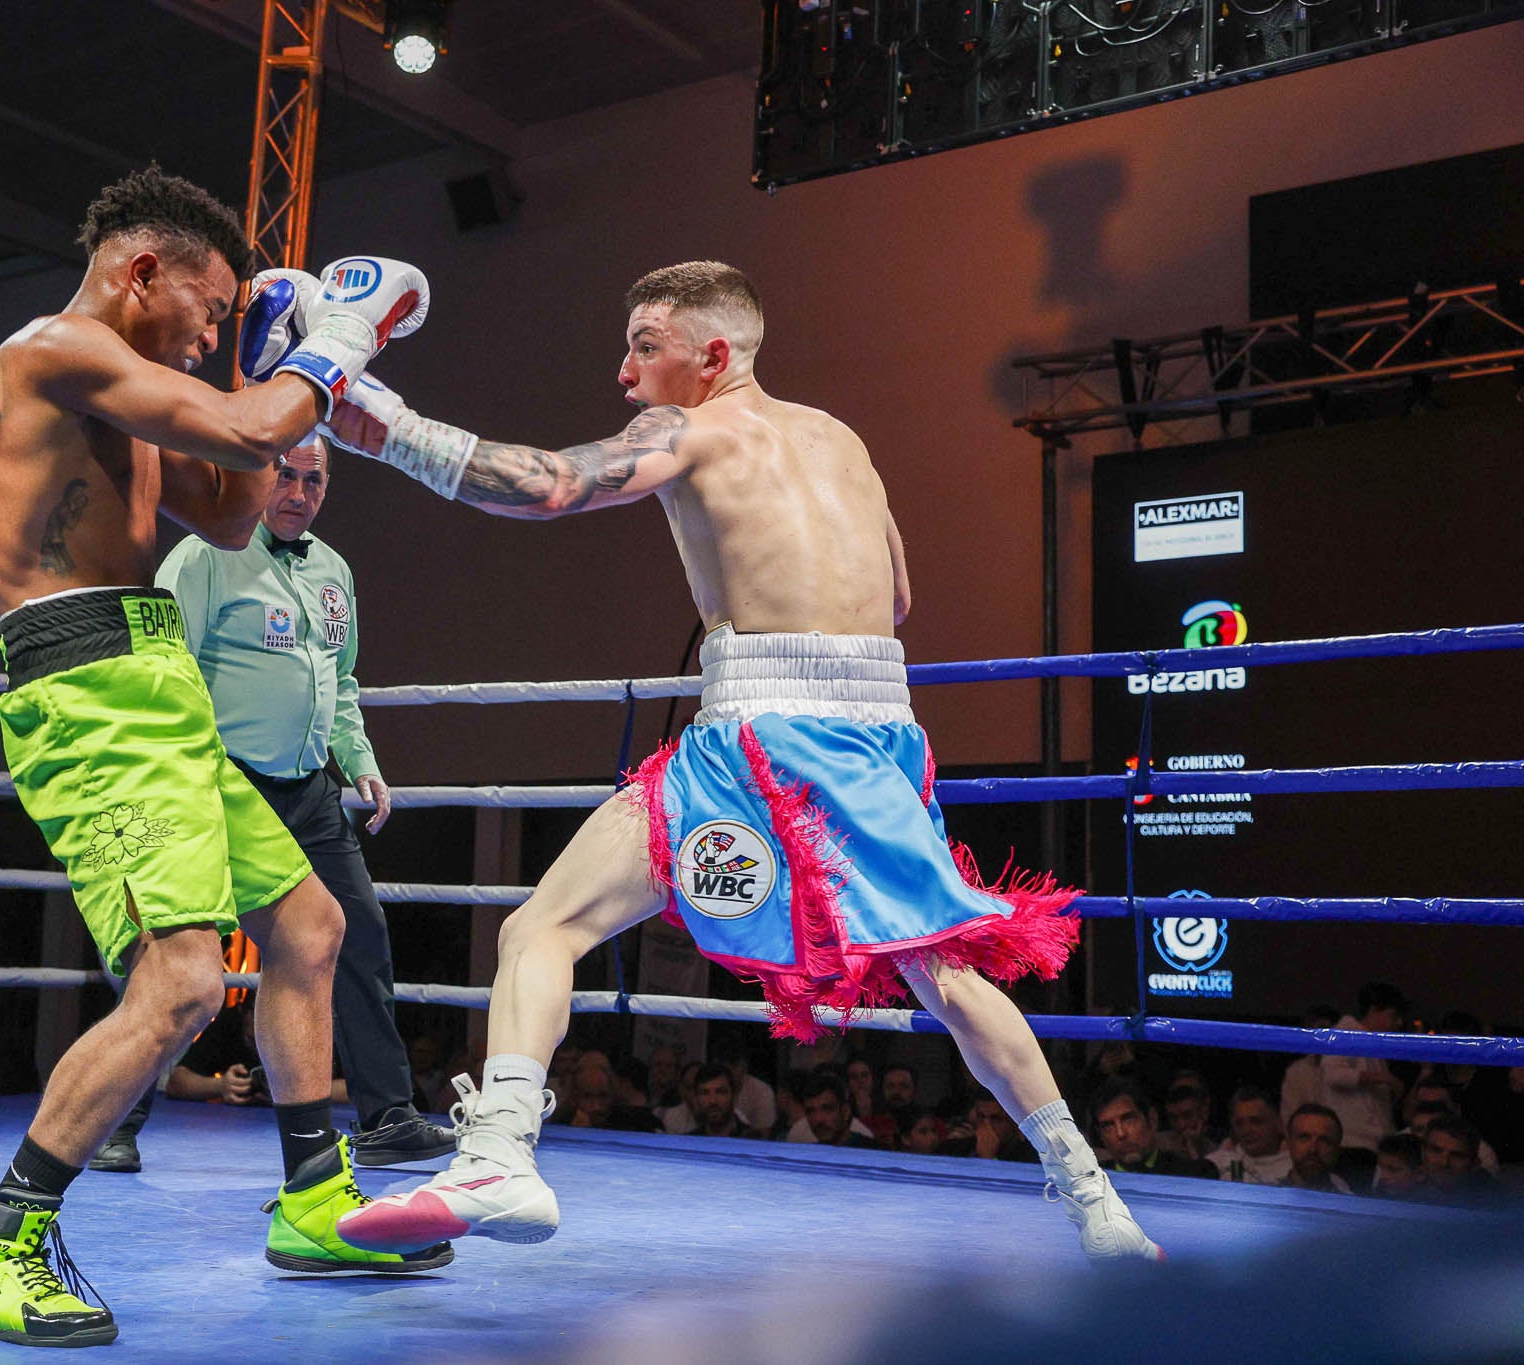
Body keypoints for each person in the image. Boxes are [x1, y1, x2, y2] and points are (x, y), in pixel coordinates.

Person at [328, 261, 1160, 1262]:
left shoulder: (689, 430)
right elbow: (895, 596)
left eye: (644, 344)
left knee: (542, 925)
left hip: (759, 729)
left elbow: (548, 485)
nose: (625, 372)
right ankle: (1094, 1204)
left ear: (710, 355)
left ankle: (501, 1156)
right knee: (939, 970)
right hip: (879, 731)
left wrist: (382, 422)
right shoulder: (841, 439)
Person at [0, 163, 442, 1348]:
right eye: (206, 309)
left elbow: (223, 507)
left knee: (308, 927)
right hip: (88, 685)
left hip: (157, 672)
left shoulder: (137, 384)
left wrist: (271, 360)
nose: (211, 330)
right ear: (140, 271)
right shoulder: (54, 350)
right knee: (186, 983)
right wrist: (334, 338)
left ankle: (314, 1203)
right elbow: (259, 429)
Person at [129, 437, 451, 1168]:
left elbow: (341, 681)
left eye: (313, 479)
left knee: (360, 931)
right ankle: (117, 1121)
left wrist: (360, 763)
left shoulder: (333, 571)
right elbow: (163, 669)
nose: (297, 491)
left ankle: (387, 1116)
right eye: (283, 474)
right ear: (254, 476)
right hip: (224, 783)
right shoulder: (205, 555)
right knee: (180, 953)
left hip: (310, 790)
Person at [1322, 982, 1409, 1151]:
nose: (1398, 1023)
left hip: (1372, 1142)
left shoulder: (1372, 1044)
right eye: (1393, 1015)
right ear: (1374, 1011)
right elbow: (1333, 1074)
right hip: (1352, 1142)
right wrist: (1384, 1078)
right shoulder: (1346, 1032)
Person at [1090, 1082, 1217, 1180]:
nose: (1120, 1134)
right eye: (1108, 1126)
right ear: (1100, 1135)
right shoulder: (1089, 1181)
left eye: (1129, 1120)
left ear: (1152, 1120)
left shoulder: (1192, 1173)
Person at [1205, 1087, 1291, 1185]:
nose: (1246, 1130)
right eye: (1239, 1124)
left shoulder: (1297, 1168)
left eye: (1256, 1122)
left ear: (1278, 1123)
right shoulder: (1216, 1165)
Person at [1284, 1104, 1352, 1193]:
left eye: (1324, 1141)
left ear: (1337, 1151)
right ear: (1289, 1143)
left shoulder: (1349, 1203)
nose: (1313, 1149)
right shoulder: (1266, 1196)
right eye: (1304, 1138)